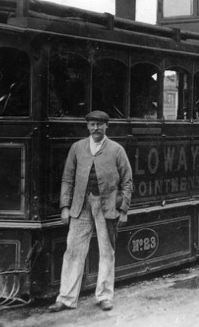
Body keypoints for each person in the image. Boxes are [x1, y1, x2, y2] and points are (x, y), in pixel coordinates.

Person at [48, 110, 133, 312]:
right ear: (87, 126)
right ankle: (66, 298)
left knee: (106, 251)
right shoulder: (77, 148)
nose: (96, 128)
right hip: (81, 205)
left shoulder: (116, 149)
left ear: (106, 126)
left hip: (108, 205)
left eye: (100, 124)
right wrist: (65, 207)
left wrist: (123, 209)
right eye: (92, 124)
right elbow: (67, 179)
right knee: (73, 251)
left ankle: (104, 296)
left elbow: (127, 182)